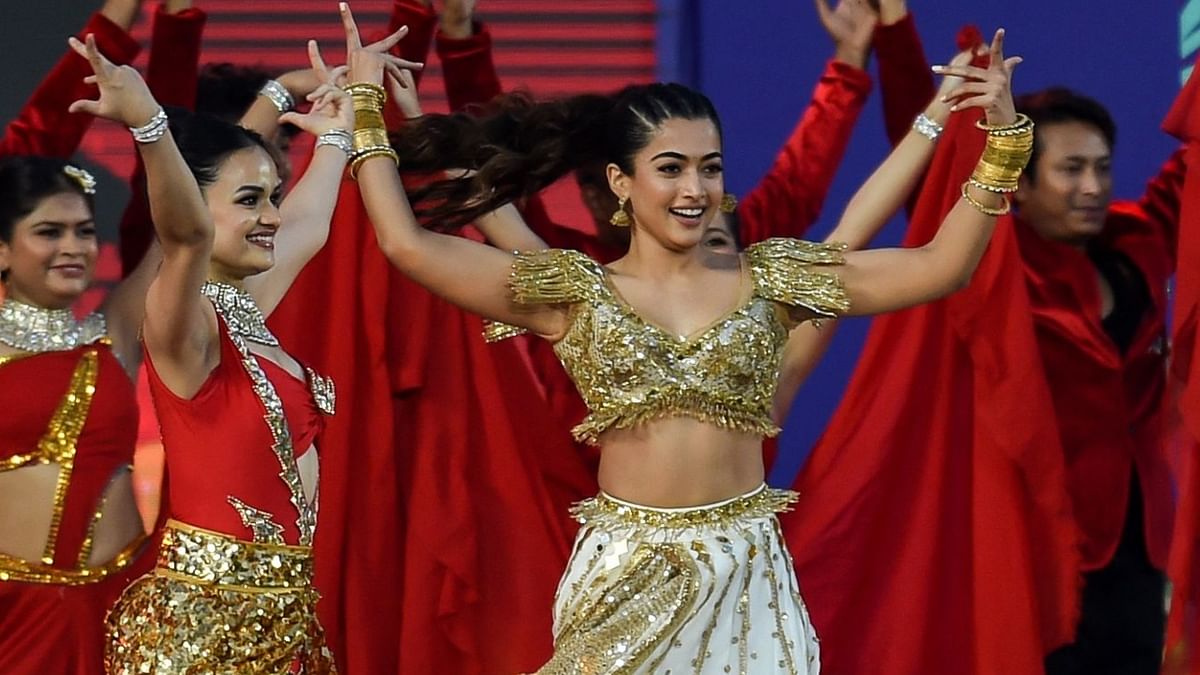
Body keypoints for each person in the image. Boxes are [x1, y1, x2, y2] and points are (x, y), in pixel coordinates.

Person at [343, 0, 1029, 667]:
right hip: (622, 578)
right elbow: (406, 245)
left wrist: (1004, 144)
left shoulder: (773, 282)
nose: (693, 188)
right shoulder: (576, 295)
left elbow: (942, 265)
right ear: (621, 182)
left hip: (749, 576)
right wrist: (367, 113)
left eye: (710, 166)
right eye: (670, 168)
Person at [59, 28, 371, 670]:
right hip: (203, 630)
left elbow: (311, 224)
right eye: (250, 201)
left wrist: (344, 125)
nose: (274, 217)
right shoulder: (184, 323)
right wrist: (149, 125)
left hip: (284, 619)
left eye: (273, 197)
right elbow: (186, 233)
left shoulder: (243, 307)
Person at [1014, 88, 1182, 675]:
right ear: (1020, 185)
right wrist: (893, 32)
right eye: (1071, 169)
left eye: (1103, 167)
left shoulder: (1137, 239)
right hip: (1046, 550)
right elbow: (928, 189)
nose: (1093, 186)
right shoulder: (996, 270)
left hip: (1140, 545)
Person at [0, 154, 159, 674]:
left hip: (123, 611)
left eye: (84, 231)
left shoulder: (111, 334)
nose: (72, 247)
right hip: (16, 618)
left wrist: (274, 101)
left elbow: (185, 234)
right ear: (3, 249)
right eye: (49, 231)